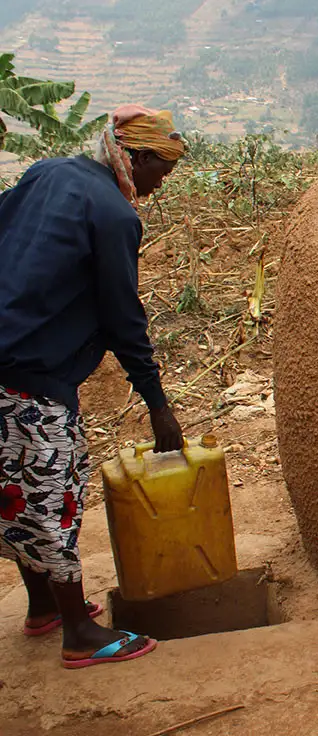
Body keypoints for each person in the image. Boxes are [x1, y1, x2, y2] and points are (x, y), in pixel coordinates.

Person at [0, 105, 187, 668]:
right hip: (30, 373)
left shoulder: (48, 172)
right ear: (138, 156)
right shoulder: (114, 215)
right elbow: (122, 319)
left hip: (10, 356)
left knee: (14, 491)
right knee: (53, 493)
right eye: (163, 171)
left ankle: (44, 607)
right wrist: (159, 405)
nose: (160, 185)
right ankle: (80, 634)